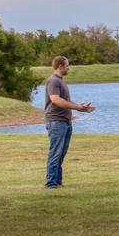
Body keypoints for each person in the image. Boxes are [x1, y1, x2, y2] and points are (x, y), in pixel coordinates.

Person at [43, 56, 95, 189]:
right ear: (60, 66)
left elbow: (64, 100)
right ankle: (51, 183)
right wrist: (76, 107)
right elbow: (55, 100)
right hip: (56, 122)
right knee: (56, 152)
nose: (69, 67)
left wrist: (79, 106)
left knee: (61, 153)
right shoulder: (53, 81)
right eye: (67, 65)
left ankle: (57, 181)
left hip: (65, 122)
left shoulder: (60, 81)